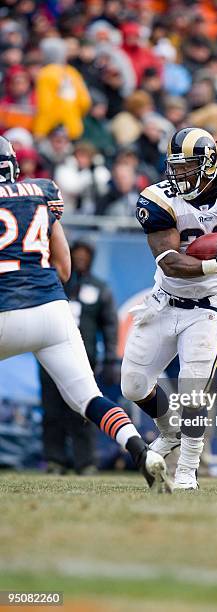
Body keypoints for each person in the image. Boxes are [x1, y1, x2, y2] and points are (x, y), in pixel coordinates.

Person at [0, 136, 170, 493]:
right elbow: (63, 270)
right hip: (52, 311)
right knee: (89, 397)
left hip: (5, 312)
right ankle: (141, 450)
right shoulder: (42, 194)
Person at [121, 127, 217, 490]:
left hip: (207, 307)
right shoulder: (158, 200)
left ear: (210, 164)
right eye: (176, 166)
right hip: (165, 301)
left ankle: (187, 470)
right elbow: (169, 260)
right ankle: (169, 430)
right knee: (134, 385)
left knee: (193, 390)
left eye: (188, 167)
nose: (179, 174)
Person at [40, 239, 118, 475]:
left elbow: (110, 326)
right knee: (52, 411)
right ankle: (55, 460)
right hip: (49, 356)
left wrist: (111, 358)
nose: (81, 259)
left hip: (84, 359)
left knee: (83, 410)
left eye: (86, 255)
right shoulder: (54, 285)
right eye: (78, 254)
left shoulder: (100, 288)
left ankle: (86, 462)